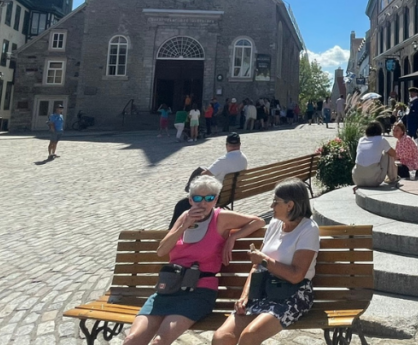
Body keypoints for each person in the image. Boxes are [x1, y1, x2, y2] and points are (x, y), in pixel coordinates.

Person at [124, 176, 265, 345]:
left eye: (209, 198)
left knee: (159, 341)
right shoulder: (185, 216)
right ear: (190, 200)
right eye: (198, 198)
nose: (203, 203)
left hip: (199, 291)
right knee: (131, 340)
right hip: (169, 287)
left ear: (216, 199)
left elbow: (258, 221)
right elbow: (162, 251)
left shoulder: (221, 217)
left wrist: (232, 237)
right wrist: (184, 226)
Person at [213, 179, 320, 345]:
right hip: (262, 289)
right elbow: (256, 266)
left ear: (290, 205)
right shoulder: (275, 224)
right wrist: (245, 296)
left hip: (293, 293)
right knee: (222, 338)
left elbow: (296, 276)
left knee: (249, 336)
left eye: (275, 202)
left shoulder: (308, 229)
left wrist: (265, 260)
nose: (271, 206)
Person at [171, 133, 249, 227]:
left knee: (180, 205)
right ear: (239, 145)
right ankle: (189, 191)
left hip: (217, 195)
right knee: (201, 169)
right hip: (231, 193)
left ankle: (171, 231)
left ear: (227, 145)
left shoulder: (223, 160)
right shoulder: (243, 158)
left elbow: (204, 175)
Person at [352, 121, 397, 188]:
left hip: (357, 180)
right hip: (373, 181)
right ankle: (393, 178)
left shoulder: (361, 140)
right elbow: (393, 154)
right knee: (387, 153)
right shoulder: (381, 139)